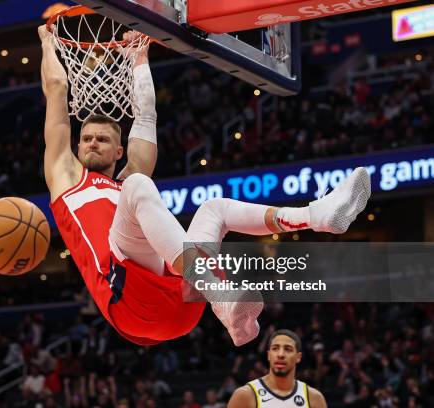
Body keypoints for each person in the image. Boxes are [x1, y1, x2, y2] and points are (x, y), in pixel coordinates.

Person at [39, 24, 371, 347]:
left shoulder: (128, 179)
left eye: (102, 138)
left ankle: (316, 215)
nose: (93, 143)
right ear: (77, 146)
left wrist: (140, 58)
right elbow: (56, 88)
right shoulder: (67, 177)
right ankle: (222, 296)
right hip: (129, 299)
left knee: (214, 209)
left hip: (182, 300)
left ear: (119, 150)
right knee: (139, 186)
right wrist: (46, 42)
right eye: (86, 139)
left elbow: (146, 116)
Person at [227, 329, 327, 408]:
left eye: (288, 349)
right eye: (275, 348)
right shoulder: (244, 395)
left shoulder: (314, 398)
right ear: (269, 355)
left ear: (298, 357)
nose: (281, 354)